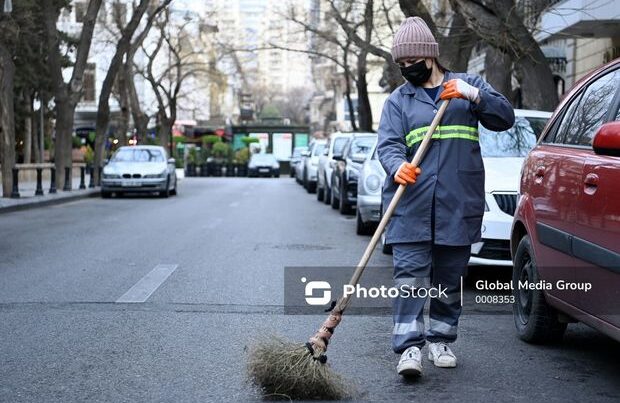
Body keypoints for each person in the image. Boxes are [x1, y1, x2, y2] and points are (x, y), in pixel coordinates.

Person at [377, 16, 515, 377]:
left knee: (448, 278)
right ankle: (408, 349)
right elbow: (388, 144)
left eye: (413, 63)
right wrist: (396, 167)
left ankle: (440, 340)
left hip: (457, 204)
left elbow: (505, 118)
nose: (408, 70)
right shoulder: (398, 101)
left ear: (430, 57)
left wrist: (474, 96)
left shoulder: (467, 86)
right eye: (402, 65)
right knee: (409, 278)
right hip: (410, 204)